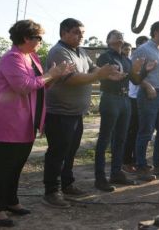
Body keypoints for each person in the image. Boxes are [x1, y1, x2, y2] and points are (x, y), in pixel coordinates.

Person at [0, 20, 73, 226]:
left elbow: (40, 86)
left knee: (17, 164)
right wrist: (51, 74)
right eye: (38, 37)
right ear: (26, 38)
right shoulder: (11, 58)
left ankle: (10, 201)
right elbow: (23, 86)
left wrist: (57, 76)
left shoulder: (31, 57)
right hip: (9, 121)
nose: (41, 41)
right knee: (4, 165)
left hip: (26, 121)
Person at [43, 18, 123, 208]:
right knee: (57, 152)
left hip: (75, 112)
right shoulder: (58, 51)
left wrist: (108, 73)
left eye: (82, 33)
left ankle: (67, 184)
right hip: (60, 112)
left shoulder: (80, 51)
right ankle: (51, 191)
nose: (81, 37)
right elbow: (70, 79)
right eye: (76, 33)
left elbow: (93, 68)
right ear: (64, 33)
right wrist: (98, 75)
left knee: (70, 151)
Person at [93, 30, 153, 192]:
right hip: (110, 98)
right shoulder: (105, 57)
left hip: (125, 100)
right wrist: (117, 73)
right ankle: (100, 178)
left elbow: (135, 80)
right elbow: (101, 75)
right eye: (114, 35)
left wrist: (144, 70)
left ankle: (116, 173)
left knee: (121, 138)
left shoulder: (126, 59)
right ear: (108, 40)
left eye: (121, 35)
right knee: (105, 138)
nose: (119, 36)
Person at [132, 21, 159, 181]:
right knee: (146, 131)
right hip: (149, 94)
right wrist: (147, 86)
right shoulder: (143, 49)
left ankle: (157, 163)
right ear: (157, 32)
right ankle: (141, 165)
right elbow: (133, 73)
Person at [123, 36, 150, 172]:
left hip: (142, 99)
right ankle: (127, 161)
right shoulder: (135, 60)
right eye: (145, 45)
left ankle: (137, 159)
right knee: (132, 131)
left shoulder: (145, 60)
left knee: (141, 131)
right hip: (133, 98)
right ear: (138, 46)